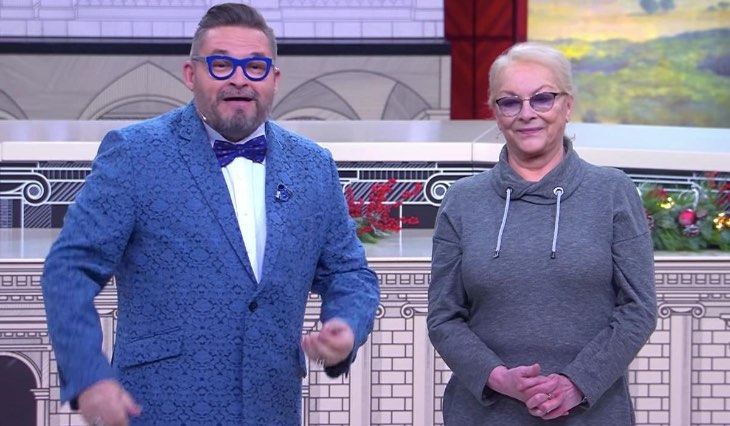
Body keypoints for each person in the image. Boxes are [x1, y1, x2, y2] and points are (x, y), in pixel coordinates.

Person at [41, 3, 380, 425]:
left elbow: (349, 273)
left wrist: (346, 326)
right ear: (191, 74)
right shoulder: (135, 154)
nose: (239, 78)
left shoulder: (313, 165)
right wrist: (88, 374)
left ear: (274, 79)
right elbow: (69, 268)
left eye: (255, 66)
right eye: (221, 65)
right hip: (159, 409)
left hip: (271, 410)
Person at [427, 42, 656, 425]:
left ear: (567, 106)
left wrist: (576, 384)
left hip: (591, 415)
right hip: (485, 417)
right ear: (495, 113)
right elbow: (443, 318)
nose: (527, 113)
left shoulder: (613, 192)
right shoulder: (462, 200)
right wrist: (499, 379)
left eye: (542, 98)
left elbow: (639, 309)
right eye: (510, 102)